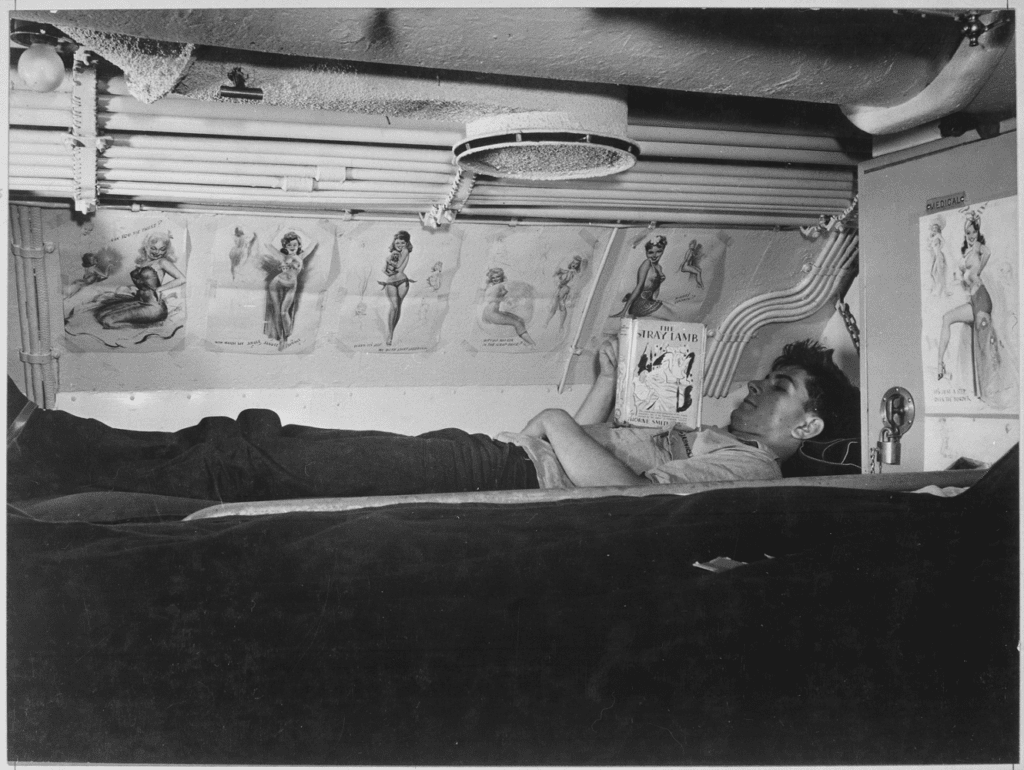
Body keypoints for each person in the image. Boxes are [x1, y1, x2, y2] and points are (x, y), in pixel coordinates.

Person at [6, 339, 855, 503]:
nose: (751, 386)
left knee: (257, 457)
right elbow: (605, 456)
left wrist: (559, 418)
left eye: (778, 386)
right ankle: (50, 444)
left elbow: (625, 498)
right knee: (257, 448)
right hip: (497, 455)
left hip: (504, 474)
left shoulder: (754, 474)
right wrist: (592, 389)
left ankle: (44, 446)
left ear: (806, 427)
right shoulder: (711, 436)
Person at [936, 211, 1008, 404]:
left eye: (973, 232)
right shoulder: (966, 251)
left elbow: (988, 252)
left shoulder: (977, 247)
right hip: (974, 301)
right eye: (968, 232)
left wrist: (978, 270)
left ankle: (990, 393)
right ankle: (939, 364)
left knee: (984, 347)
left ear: (977, 231)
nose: (970, 235)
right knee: (947, 318)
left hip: (982, 299)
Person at [612, 236, 672, 319]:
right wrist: (624, 311)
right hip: (641, 304)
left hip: (650, 300)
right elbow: (639, 286)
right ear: (646, 252)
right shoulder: (647, 263)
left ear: (663, 251)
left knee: (672, 312)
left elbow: (655, 294)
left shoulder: (659, 267)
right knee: (672, 314)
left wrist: (659, 282)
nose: (654, 255)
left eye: (658, 251)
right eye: (650, 252)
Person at [92, 265, 169, 329]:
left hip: (155, 310)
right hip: (145, 304)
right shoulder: (143, 279)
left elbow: (152, 286)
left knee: (107, 321)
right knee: (100, 314)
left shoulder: (148, 273)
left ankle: (150, 325)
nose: (135, 280)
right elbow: (134, 276)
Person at [481, 267, 535, 345]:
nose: (495, 279)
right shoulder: (493, 287)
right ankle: (532, 343)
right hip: (491, 313)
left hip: (494, 311)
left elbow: (506, 295)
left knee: (520, 320)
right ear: (491, 279)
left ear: (501, 276)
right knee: (517, 323)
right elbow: (488, 298)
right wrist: (502, 300)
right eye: (493, 278)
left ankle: (527, 341)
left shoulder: (500, 285)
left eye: (497, 277)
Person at [379, 231, 414, 346]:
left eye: (402, 243)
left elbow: (398, 266)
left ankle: (391, 334)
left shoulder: (405, 251)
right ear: (394, 243)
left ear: (406, 243)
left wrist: (389, 261)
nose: (399, 245)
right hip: (391, 282)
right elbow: (385, 270)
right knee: (394, 306)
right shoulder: (394, 253)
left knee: (397, 307)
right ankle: (390, 333)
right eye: (397, 243)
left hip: (402, 281)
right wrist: (388, 268)